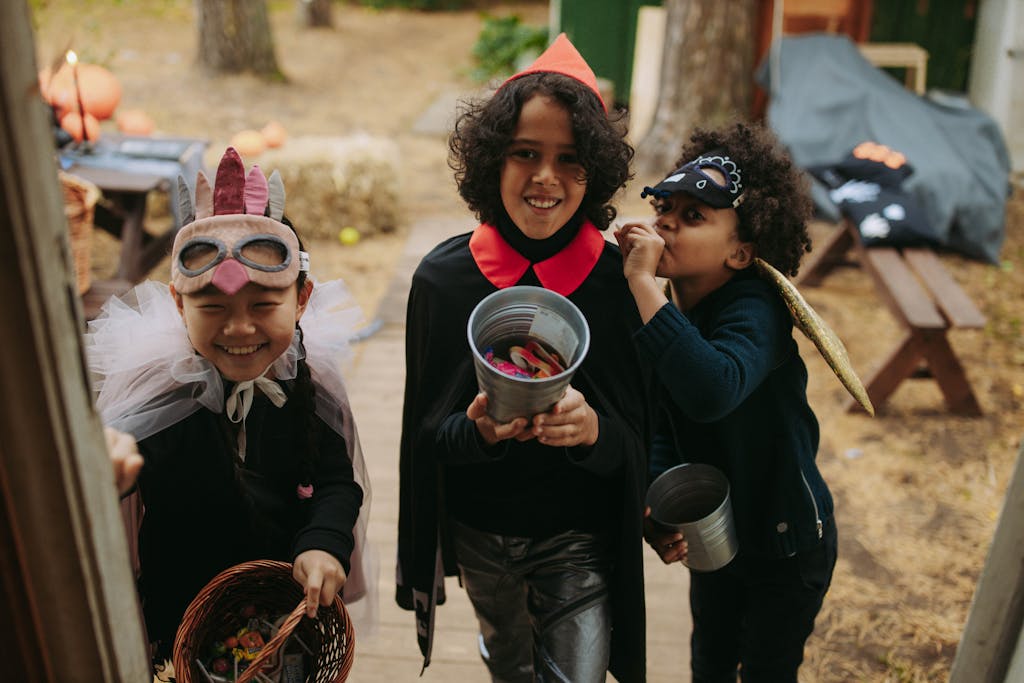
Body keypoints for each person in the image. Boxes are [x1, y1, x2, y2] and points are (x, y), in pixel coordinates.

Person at [397, 34, 651, 683]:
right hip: (480, 536)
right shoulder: (444, 281)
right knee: (510, 661)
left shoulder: (620, 286)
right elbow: (427, 438)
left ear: (596, 170)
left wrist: (595, 431)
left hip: (579, 538)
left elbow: (640, 438)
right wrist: (479, 431)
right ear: (492, 162)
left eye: (570, 159)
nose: (545, 177)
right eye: (525, 154)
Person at [85, 147, 375, 667]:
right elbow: (114, 477)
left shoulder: (308, 384)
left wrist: (325, 543)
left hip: (284, 618)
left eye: (263, 306)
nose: (240, 329)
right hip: (178, 625)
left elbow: (335, 480)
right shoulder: (158, 397)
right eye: (213, 308)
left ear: (301, 297)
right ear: (179, 303)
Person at [614, 123, 838, 682]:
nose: (665, 222)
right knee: (709, 662)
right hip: (721, 538)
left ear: (741, 252)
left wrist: (642, 285)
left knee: (766, 670)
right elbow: (667, 416)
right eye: (665, 206)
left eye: (694, 217)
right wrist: (659, 497)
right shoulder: (671, 313)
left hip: (788, 544)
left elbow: (711, 391)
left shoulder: (755, 309)